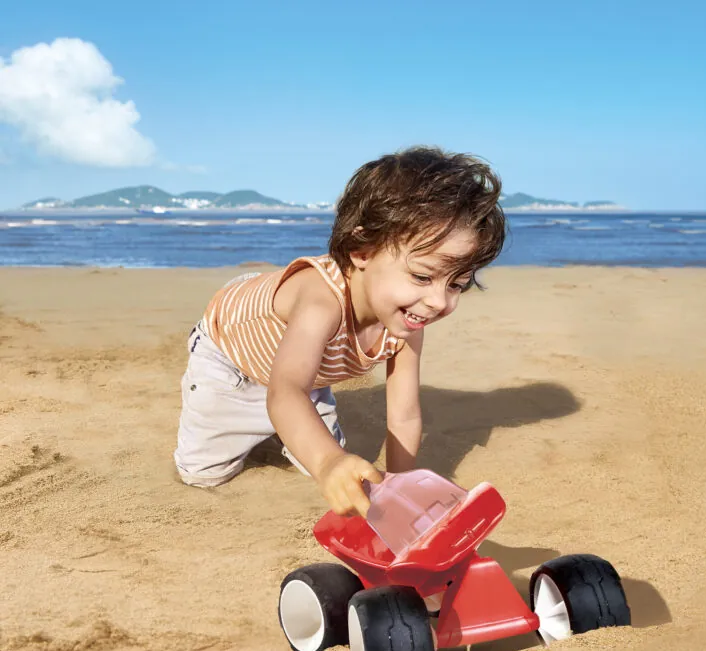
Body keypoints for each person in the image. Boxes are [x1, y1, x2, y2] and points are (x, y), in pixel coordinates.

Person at [174, 146, 506, 517]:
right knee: (203, 473)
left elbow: (405, 415)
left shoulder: (408, 317)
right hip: (234, 357)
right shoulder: (321, 303)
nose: (436, 301)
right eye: (422, 276)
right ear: (361, 251)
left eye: (456, 285)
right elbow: (286, 391)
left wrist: (399, 487)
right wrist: (329, 462)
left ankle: (280, 431)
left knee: (345, 474)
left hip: (305, 371)